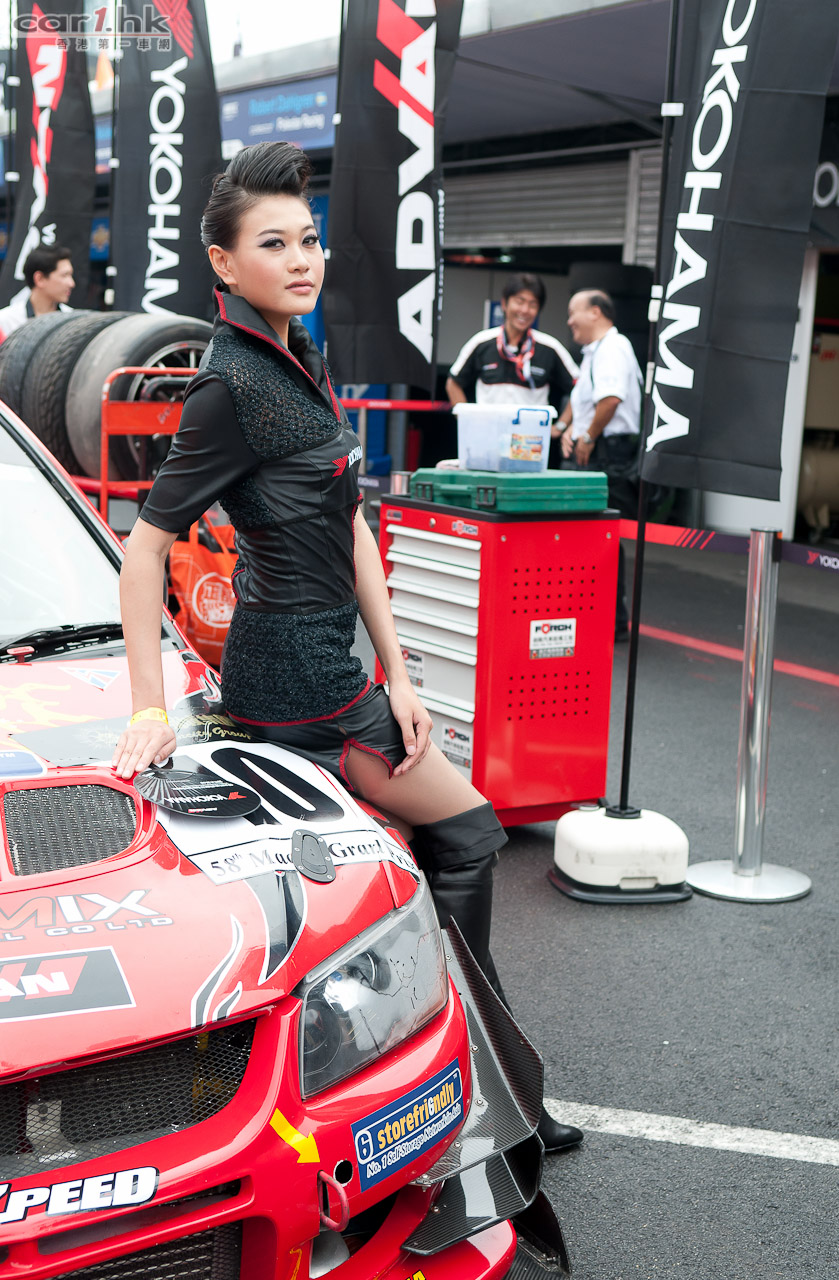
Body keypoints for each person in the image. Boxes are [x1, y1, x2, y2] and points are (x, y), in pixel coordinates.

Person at [110, 141, 581, 1153]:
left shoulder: (302, 358)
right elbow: (143, 550)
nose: (301, 259)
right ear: (223, 263)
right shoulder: (229, 384)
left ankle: (464, 1082)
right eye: (273, 243)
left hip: (335, 674)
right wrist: (150, 707)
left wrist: (400, 674)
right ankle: (489, 1088)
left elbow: (352, 521)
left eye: (309, 240)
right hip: (294, 685)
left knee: (388, 869)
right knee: (463, 834)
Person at [558, 289, 642, 639]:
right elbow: (584, 399)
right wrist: (566, 427)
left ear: (595, 312)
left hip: (607, 452)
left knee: (601, 534)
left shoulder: (613, 348)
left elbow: (610, 400)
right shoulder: (596, 351)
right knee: (587, 533)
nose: (569, 321)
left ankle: (611, 620)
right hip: (596, 449)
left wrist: (588, 436)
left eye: (573, 312)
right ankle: (594, 613)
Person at [446, 273, 577, 447]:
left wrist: (560, 426)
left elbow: (580, 387)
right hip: (487, 438)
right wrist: (468, 421)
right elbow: (453, 383)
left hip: (530, 444)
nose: (525, 310)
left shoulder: (550, 347)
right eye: (519, 301)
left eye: (532, 304)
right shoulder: (481, 342)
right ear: (504, 304)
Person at [0, 245, 75, 343]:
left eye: (71, 275)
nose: (71, 283)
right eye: (64, 275)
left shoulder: (73, 320)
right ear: (39, 279)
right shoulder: (6, 321)